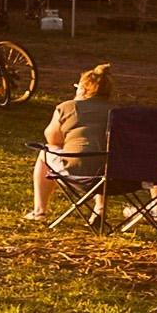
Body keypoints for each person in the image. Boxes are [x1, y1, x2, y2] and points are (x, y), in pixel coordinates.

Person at [29, 64, 116, 219]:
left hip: (77, 174)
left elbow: (53, 139)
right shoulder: (118, 112)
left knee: (45, 152)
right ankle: (100, 208)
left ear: (82, 89)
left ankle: (39, 211)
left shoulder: (68, 107)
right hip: (116, 177)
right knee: (104, 154)